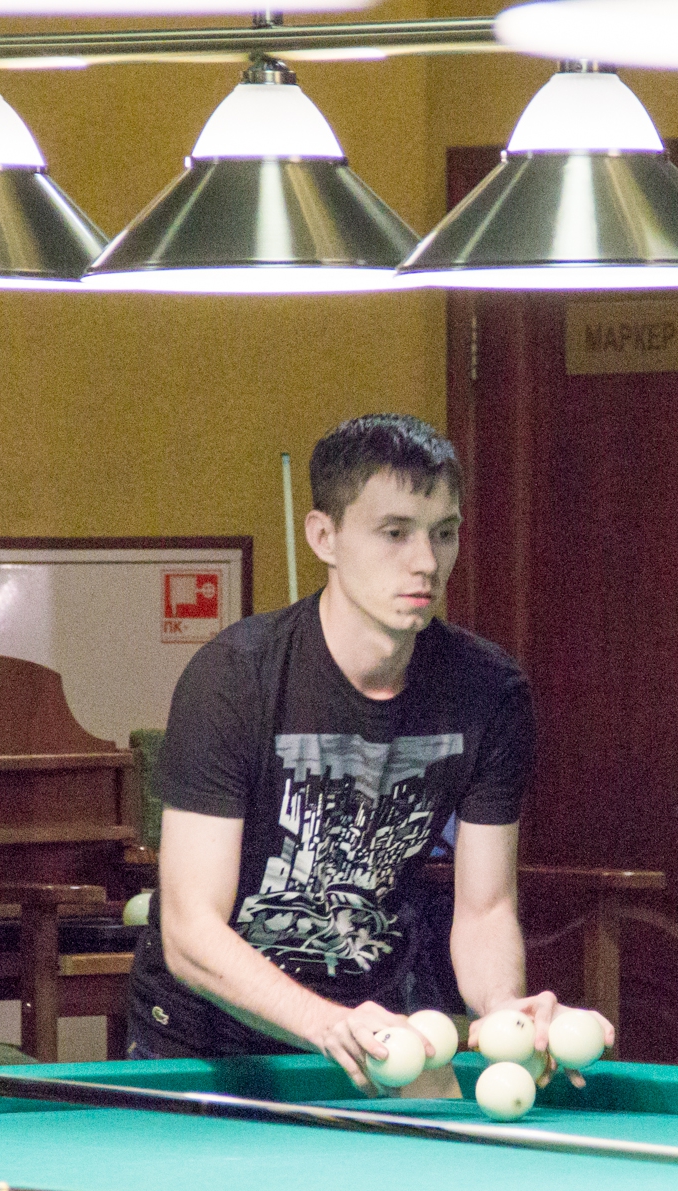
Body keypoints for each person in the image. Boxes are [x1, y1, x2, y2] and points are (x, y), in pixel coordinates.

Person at [126, 412, 612, 1089]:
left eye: (444, 533)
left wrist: (504, 1009)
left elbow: (485, 910)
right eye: (394, 533)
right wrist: (325, 1024)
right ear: (323, 537)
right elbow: (188, 933)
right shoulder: (233, 679)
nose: (426, 562)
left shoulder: (489, 692)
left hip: (374, 1038)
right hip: (206, 1048)